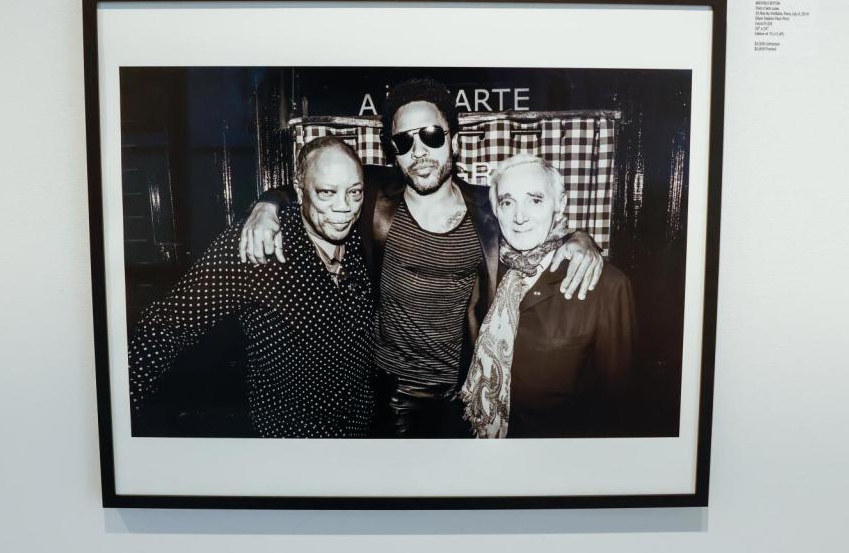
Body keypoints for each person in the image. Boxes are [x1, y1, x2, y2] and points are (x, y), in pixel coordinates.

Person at [239, 78, 604, 438]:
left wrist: (579, 238)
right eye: (404, 141)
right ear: (393, 151)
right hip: (391, 396)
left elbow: (535, 227)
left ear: (454, 141)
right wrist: (266, 206)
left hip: (465, 395)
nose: (419, 152)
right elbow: (306, 188)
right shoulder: (372, 195)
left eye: (431, 135)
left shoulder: (489, 209)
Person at [129, 136, 375, 438]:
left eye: (355, 192)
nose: (344, 207)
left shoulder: (360, 236)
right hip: (288, 438)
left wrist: (269, 200)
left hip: (359, 429)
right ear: (299, 191)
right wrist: (122, 422)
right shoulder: (257, 245)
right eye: (327, 192)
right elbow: (164, 327)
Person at [459, 154, 636, 438]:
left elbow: (617, 408)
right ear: (496, 210)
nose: (519, 216)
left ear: (560, 204)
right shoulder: (485, 269)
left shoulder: (607, 286)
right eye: (507, 202)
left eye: (535, 200)